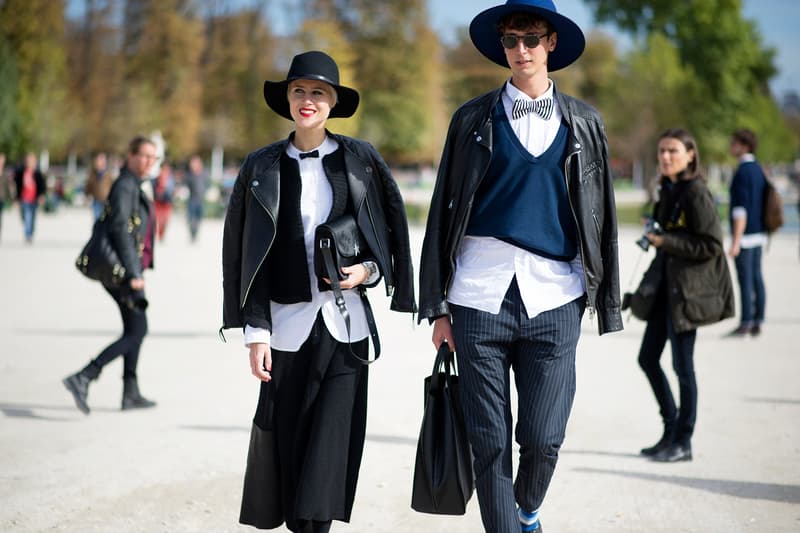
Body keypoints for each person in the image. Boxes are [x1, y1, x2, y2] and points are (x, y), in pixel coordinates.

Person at [418, 1, 622, 531]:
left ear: (551, 42)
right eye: (511, 39)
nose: (522, 49)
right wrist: (437, 305)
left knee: (545, 436)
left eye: (532, 37)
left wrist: (604, 298)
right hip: (477, 296)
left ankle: (527, 510)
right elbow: (443, 210)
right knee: (489, 443)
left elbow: (601, 216)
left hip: (556, 295)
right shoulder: (470, 119)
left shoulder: (586, 122)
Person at [220, 50, 416, 532]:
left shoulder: (362, 160)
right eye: (300, 91)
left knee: (328, 455)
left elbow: (390, 235)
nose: (308, 101)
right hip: (285, 329)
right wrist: (254, 332)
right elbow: (244, 254)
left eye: (319, 93)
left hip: (345, 328)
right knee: (291, 450)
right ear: (287, 98)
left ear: (333, 103)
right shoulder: (259, 167)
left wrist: (366, 272)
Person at [634, 128, 734, 462]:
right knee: (648, 358)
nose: (665, 157)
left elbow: (711, 245)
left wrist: (667, 241)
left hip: (686, 294)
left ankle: (684, 441)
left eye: (673, 151)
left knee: (682, 366)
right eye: (661, 151)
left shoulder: (696, 192)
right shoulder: (669, 188)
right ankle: (671, 429)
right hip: (665, 290)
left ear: (691, 154)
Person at [63, 136, 159, 414]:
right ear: (129, 155)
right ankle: (84, 376)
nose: (148, 162)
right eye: (144, 156)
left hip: (128, 270)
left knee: (134, 328)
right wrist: (133, 272)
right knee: (138, 329)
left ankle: (130, 392)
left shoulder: (135, 185)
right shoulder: (125, 185)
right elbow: (120, 230)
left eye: (153, 158)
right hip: (124, 272)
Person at [727, 129, 768, 336]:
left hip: (745, 235)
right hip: (759, 232)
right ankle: (758, 319)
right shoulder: (759, 169)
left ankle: (745, 322)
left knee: (745, 280)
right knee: (757, 277)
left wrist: (735, 241)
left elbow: (740, 209)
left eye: (733, 143)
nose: (730, 146)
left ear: (743, 145)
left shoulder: (742, 171)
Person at [13, 152, 46, 243]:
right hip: (24, 199)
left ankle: (29, 233)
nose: (32, 163)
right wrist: (16, 199)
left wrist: (41, 196)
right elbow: (17, 185)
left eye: (33, 161)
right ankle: (28, 233)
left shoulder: (37, 173)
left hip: (34, 199)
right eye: (30, 161)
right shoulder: (21, 172)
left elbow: (42, 186)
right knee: (26, 216)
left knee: (32, 217)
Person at [184, 155, 210, 241]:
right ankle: (192, 233)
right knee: (191, 218)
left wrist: (206, 192)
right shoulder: (189, 174)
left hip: (201, 199)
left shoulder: (204, 173)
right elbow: (185, 184)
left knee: (199, 218)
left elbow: (207, 184)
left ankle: (195, 233)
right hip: (192, 199)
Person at [85, 152, 114, 221]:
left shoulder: (109, 174)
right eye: (97, 160)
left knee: (106, 220)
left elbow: (113, 187)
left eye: (101, 160)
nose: (98, 162)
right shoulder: (93, 174)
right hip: (96, 201)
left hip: (106, 201)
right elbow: (88, 186)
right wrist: (87, 194)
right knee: (97, 220)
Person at [152, 161, 175, 241]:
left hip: (167, 203)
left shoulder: (171, 180)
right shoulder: (156, 179)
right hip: (158, 203)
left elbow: (173, 191)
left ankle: (162, 235)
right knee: (157, 220)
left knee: (165, 221)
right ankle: (157, 234)